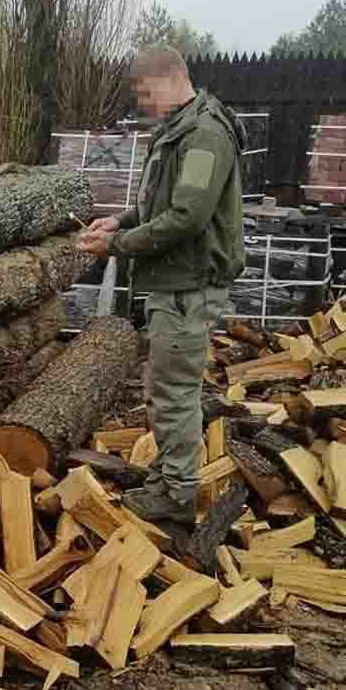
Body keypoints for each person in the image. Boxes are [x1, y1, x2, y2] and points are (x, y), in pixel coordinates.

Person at [78, 46, 246, 525]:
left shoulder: (204, 136)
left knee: (174, 391)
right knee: (165, 386)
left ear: (171, 78)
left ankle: (176, 496)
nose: (144, 105)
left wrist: (117, 246)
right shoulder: (182, 129)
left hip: (188, 285)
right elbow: (163, 203)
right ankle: (170, 478)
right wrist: (119, 220)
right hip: (176, 282)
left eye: (145, 93)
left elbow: (187, 217)